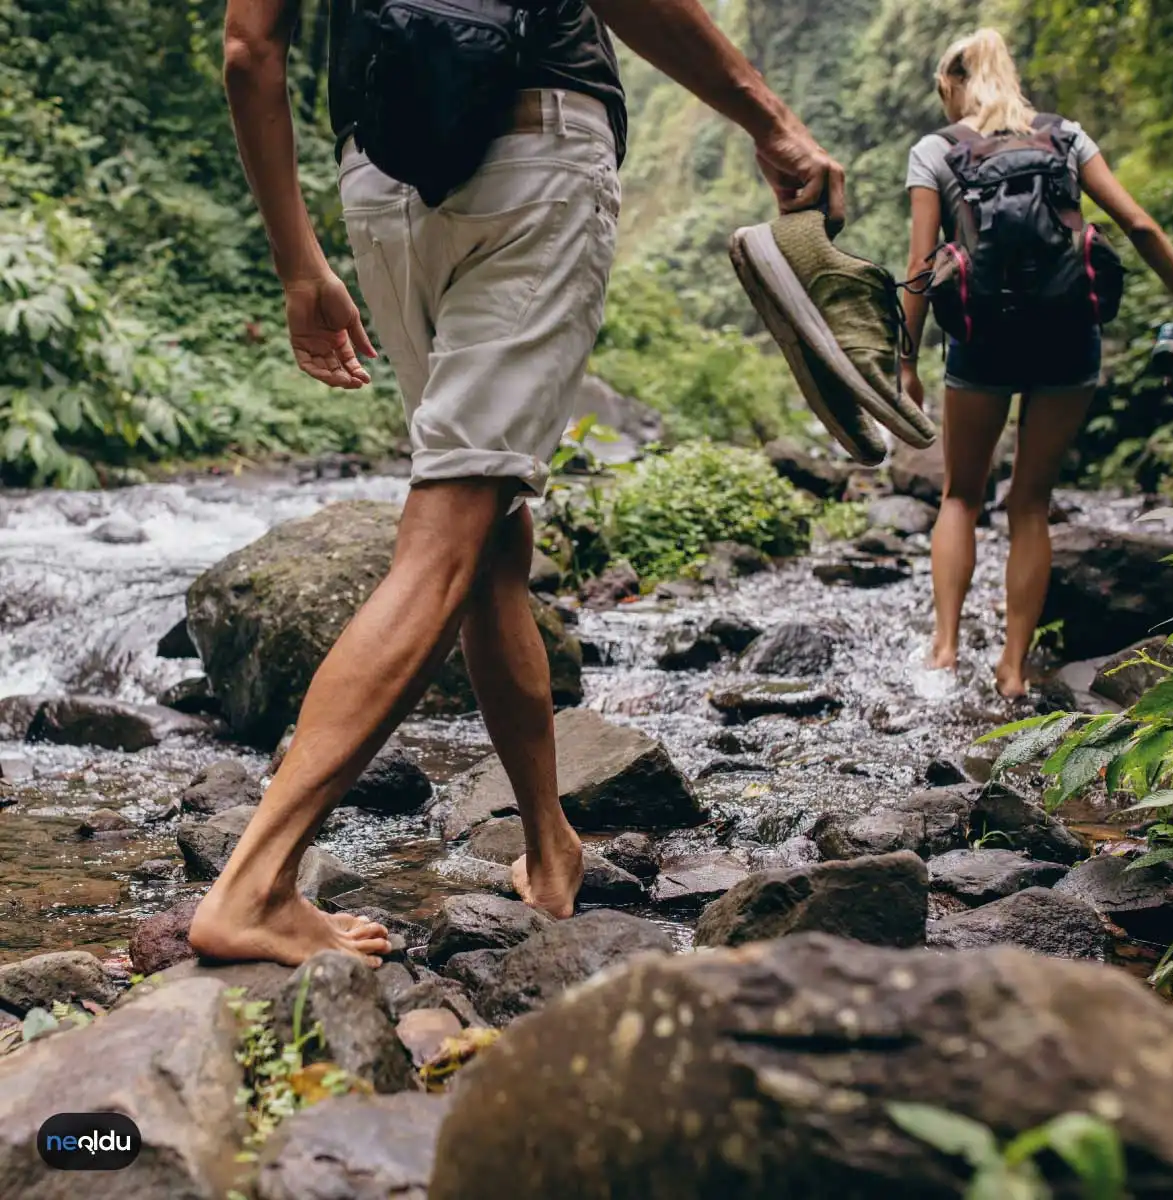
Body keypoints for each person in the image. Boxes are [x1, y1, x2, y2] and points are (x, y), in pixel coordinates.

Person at [189, 0, 844, 968]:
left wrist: (298, 263)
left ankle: (548, 845)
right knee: (450, 532)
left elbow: (251, 49)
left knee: (491, 533)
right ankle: (255, 882)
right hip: (534, 149)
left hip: (382, 177)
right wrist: (770, 121)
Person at [900, 27, 1173, 699]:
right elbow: (1141, 226)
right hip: (1069, 335)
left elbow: (920, 269)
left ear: (952, 84)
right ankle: (1011, 670)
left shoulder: (937, 150)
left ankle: (944, 655)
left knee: (960, 495)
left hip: (982, 339)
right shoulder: (1067, 138)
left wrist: (905, 365)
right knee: (1031, 504)